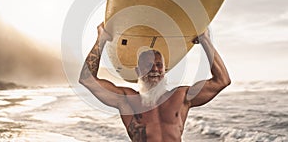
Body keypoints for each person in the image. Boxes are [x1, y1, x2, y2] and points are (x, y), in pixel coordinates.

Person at [79, 22, 231, 142]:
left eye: (159, 65)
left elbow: (222, 81)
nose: (154, 69)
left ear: (165, 71)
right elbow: (87, 79)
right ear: (138, 72)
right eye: (148, 65)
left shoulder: (181, 96)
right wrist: (101, 40)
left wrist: (205, 40)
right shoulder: (127, 100)